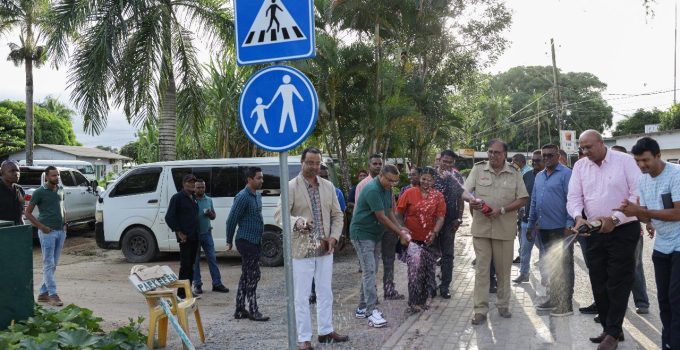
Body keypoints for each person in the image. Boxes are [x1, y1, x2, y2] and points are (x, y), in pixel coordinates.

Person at [566, 130, 641, 349]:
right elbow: (573, 196)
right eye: (582, 148)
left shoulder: (625, 161)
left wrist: (615, 219)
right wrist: (579, 217)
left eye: (589, 147)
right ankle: (611, 329)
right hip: (593, 230)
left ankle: (613, 332)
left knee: (618, 280)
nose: (585, 151)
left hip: (623, 229)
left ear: (601, 143)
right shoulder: (580, 166)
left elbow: (637, 193)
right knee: (598, 281)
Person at [275, 148, 348, 350]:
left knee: (325, 292)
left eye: (317, 163)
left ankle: (325, 331)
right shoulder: (290, 186)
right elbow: (280, 215)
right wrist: (297, 221)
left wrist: (334, 237)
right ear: (302, 162)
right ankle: (303, 338)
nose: (314, 167)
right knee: (302, 295)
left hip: (325, 248)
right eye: (310, 163)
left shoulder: (328, 186)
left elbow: (337, 215)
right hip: (302, 249)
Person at [618, 137, 680, 350]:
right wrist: (632, 212)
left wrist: (642, 212)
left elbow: (678, 212)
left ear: (658, 155)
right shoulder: (642, 181)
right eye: (637, 161)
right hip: (662, 246)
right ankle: (668, 344)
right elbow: (646, 218)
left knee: (676, 300)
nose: (642, 165)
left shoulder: (676, 175)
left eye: (645, 160)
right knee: (663, 301)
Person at [465, 139, 529, 325]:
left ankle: (503, 305)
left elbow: (523, 198)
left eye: (497, 153)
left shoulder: (514, 173)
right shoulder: (478, 169)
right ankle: (480, 310)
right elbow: (465, 192)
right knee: (482, 271)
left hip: (504, 229)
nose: (492, 155)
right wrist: (472, 200)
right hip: (482, 229)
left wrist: (502, 210)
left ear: (505, 155)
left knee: (503, 271)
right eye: (490, 152)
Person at [351, 164, 412, 328]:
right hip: (362, 234)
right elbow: (381, 217)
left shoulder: (388, 189)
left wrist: (400, 228)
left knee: (371, 270)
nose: (392, 184)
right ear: (381, 176)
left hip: (374, 235)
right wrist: (400, 234)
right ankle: (371, 312)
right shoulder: (372, 189)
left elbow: (390, 211)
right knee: (369, 271)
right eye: (390, 180)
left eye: (395, 182)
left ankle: (362, 307)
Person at [527, 144, 574, 316]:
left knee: (564, 267)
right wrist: (531, 224)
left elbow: (572, 200)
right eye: (543, 156)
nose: (546, 159)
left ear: (558, 156)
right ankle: (554, 298)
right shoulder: (539, 176)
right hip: (544, 229)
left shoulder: (567, 174)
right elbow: (534, 201)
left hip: (562, 229)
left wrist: (570, 223)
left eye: (550, 155)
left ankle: (566, 305)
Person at [355, 154, 404, 300]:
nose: (377, 165)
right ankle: (370, 298)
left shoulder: (388, 186)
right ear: (370, 165)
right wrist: (400, 231)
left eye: (379, 163)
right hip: (369, 231)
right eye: (374, 163)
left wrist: (399, 227)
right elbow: (374, 214)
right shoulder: (365, 186)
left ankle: (389, 290)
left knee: (389, 260)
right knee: (371, 268)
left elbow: (390, 210)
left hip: (387, 228)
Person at [396, 167, 445, 312]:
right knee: (415, 270)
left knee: (428, 271)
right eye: (423, 178)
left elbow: (440, 217)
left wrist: (435, 233)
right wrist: (403, 229)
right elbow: (398, 213)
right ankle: (413, 302)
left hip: (429, 240)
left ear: (434, 181)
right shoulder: (409, 193)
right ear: (419, 179)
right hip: (413, 240)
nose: (426, 182)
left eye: (429, 179)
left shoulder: (438, 196)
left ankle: (423, 300)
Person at [611, 145, 650, 315]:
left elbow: (643, 202)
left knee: (634, 266)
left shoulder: (635, 176)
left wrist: (648, 222)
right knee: (611, 269)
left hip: (630, 228)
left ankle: (642, 302)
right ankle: (616, 303)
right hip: (609, 229)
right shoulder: (607, 176)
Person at [226, 167, 269, 322]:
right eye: (258, 178)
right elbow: (231, 219)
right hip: (245, 241)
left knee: (246, 275)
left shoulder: (257, 195)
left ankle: (239, 309)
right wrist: (228, 240)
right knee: (253, 275)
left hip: (255, 240)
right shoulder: (242, 197)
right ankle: (253, 310)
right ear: (249, 179)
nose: (261, 180)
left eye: (262, 177)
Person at [25, 166, 67, 307]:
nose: (57, 177)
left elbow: (62, 207)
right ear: (47, 177)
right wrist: (41, 227)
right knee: (48, 263)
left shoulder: (60, 189)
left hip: (61, 231)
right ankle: (52, 294)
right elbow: (28, 213)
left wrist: (65, 223)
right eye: (54, 175)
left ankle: (43, 293)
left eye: (58, 175)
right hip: (47, 232)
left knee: (53, 264)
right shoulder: (39, 192)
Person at [309, 164, 347, 305]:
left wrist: (341, 236)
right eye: (322, 176)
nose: (325, 178)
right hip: (314, 236)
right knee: (313, 264)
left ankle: (323, 292)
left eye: (326, 176)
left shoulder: (336, 192)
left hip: (331, 237)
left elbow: (341, 214)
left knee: (325, 267)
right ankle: (314, 291)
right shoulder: (309, 191)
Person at [433, 150, 465, 299]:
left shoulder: (457, 177)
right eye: (444, 161)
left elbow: (461, 198)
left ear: (453, 163)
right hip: (431, 222)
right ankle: (430, 285)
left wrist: (459, 218)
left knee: (448, 255)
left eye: (450, 162)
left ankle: (445, 286)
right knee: (430, 254)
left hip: (450, 222)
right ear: (439, 160)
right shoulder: (431, 175)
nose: (446, 164)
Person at [192, 179, 229, 295]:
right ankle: (197, 285)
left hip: (207, 233)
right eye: (198, 187)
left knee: (212, 259)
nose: (201, 189)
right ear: (194, 188)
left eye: (202, 187)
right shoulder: (191, 200)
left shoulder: (208, 200)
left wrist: (210, 214)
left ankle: (217, 284)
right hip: (194, 235)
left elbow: (213, 216)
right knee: (195, 261)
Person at [165, 174, 200, 299]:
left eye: (193, 182)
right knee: (185, 266)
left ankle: (188, 291)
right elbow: (169, 217)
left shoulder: (194, 197)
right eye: (189, 182)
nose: (192, 184)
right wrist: (179, 232)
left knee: (191, 265)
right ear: (184, 184)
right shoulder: (177, 198)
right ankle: (181, 293)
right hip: (185, 238)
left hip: (195, 236)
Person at [514, 150, 545, 284]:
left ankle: (545, 278)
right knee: (525, 250)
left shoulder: (548, 176)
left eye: (538, 160)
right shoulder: (527, 176)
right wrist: (520, 212)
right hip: (527, 221)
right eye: (533, 160)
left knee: (544, 252)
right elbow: (521, 195)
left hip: (545, 223)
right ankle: (524, 274)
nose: (534, 163)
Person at [0, 160, 25, 225]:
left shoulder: (20, 189)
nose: (16, 174)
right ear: (2, 172)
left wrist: (23, 227)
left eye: (17, 170)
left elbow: (20, 213)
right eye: (12, 171)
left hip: (16, 230)